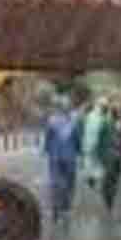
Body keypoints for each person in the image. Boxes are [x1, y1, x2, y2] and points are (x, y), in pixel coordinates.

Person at [42, 93, 82, 222]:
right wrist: (80, 151)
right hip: (69, 157)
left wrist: (46, 150)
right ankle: (65, 207)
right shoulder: (74, 122)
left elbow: (47, 139)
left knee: (56, 182)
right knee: (68, 182)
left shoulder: (51, 120)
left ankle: (56, 206)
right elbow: (77, 139)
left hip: (55, 157)